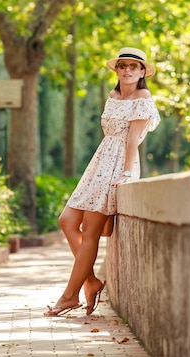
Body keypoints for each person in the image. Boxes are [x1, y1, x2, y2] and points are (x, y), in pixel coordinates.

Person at [44, 46, 161, 317]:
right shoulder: (113, 95)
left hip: (117, 165)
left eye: (134, 66)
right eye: (123, 65)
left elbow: (133, 140)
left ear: (143, 72)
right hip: (99, 162)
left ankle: (69, 296)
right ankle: (91, 281)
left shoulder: (143, 98)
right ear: (116, 70)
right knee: (67, 221)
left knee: (91, 232)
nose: (128, 70)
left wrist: (127, 173)